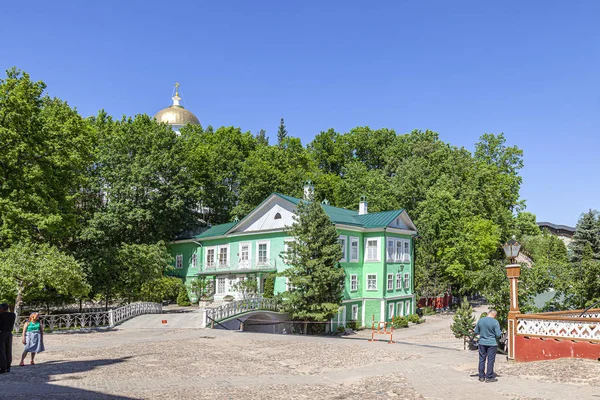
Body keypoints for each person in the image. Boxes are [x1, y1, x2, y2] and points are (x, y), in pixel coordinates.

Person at [474, 309, 502, 383]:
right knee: (490, 360)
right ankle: (489, 377)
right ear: (494, 315)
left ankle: (481, 376)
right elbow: (498, 334)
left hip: (482, 342)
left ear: (488, 313)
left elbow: (476, 331)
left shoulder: (481, 320)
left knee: (482, 359)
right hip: (492, 343)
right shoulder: (495, 322)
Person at [0, 304, 17, 373]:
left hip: (2, 333)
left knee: (2, 351)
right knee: (8, 350)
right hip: (9, 333)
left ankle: (3, 367)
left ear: (2, 309)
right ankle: (8, 366)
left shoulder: (1, 315)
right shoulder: (12, 315)